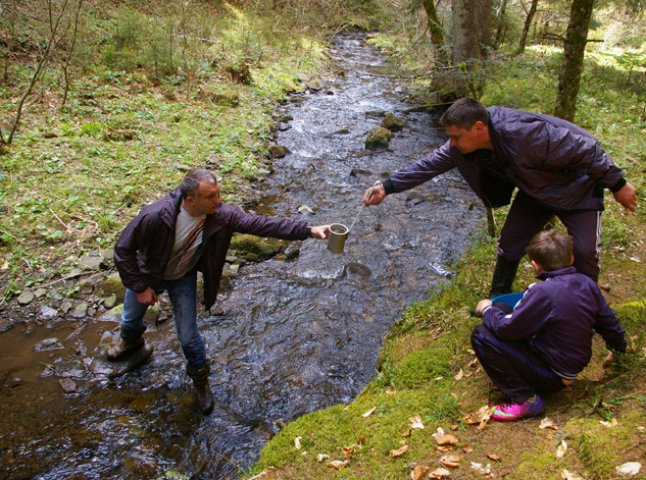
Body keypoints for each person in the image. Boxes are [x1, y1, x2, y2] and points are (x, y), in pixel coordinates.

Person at [363, 98, 638, 297]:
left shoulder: (526, 132)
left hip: (576, 191)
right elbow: (429, 164)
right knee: (509, 244)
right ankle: (498, 295)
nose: (452, 144)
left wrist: (618, 184)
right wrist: (387, 187)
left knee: (585, 252)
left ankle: (584, 305)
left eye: (457, 137)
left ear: (479, 128)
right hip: (535, 193)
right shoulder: (462, 145)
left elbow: (587, 149)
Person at [111, 168, 330, 414]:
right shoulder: (156, 215)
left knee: (188, 337)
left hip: (183, 276)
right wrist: (140, 287)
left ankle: (201, 381)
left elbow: (262, 224)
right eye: (211, 196)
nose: (219, 200)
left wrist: (308, 231)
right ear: (190, 200)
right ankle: (131, 344)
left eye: (218, 194)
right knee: (130, 316)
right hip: (149, 273)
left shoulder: (222, 215)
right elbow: (123, 250)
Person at [470, 229, 627, 421]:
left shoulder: (542, 293)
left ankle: (525, 399)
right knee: (501, 308)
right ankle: (529, 380)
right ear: (571, 257)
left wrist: (486, 309)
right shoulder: (587, 283)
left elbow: (506, 329)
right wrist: (619, 348)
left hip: (553, 374)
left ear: (536, 265)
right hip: (570, 365)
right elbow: (608, 321)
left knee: (482, 335)